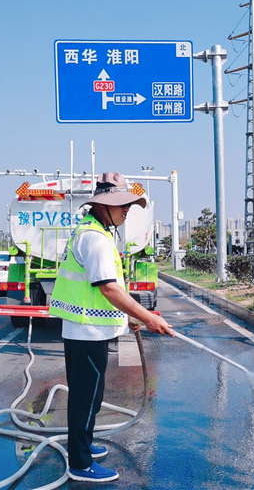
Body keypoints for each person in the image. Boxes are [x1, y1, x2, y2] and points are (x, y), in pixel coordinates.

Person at [49, 172, 174, 482]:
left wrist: (127, 316)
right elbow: (108, 289)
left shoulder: (95, 231)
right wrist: (148, 316)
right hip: (86, 331)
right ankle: (80, 464)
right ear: (102, 205)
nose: (127, 209)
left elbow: (103, 290)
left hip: (88, 329)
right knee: (85, 397)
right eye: (121, 204)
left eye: (129, 204)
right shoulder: (95, 238)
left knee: (91, 394)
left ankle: (84, 446)